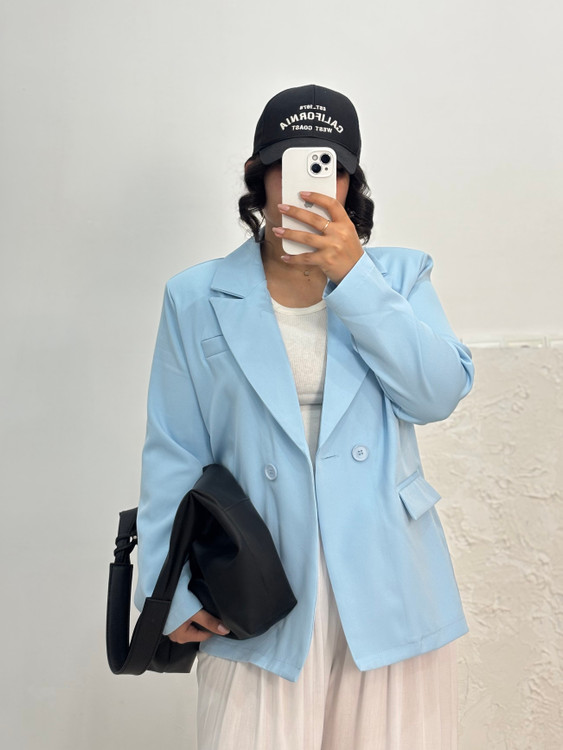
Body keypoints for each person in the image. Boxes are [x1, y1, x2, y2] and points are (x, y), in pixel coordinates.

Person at [134, 84, 474, 750]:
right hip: (253, 581)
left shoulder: (399, 277)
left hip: (389, 579)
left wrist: (355, 279)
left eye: (332, 169)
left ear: (351, 183)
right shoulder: (195, 296)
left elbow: (435, 396)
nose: (313, 185)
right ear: (257, 175)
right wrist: (165, 588)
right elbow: (173, 448)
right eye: (289, 165)